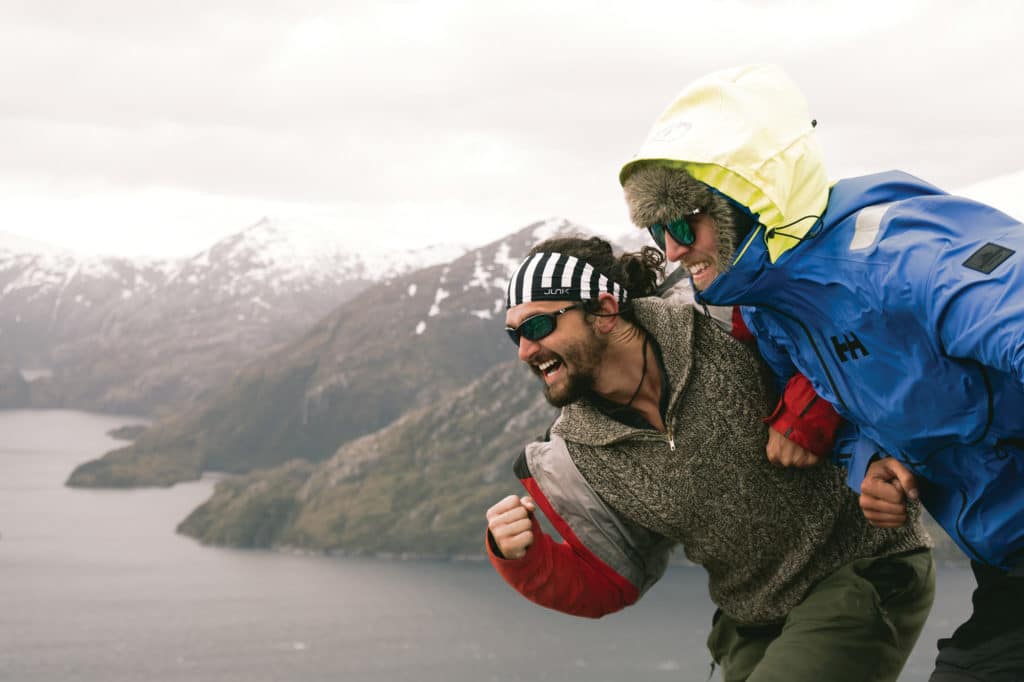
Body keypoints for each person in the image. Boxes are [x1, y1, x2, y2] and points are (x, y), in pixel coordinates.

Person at [619, 63, 1024, 680]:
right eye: (657, 229)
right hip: (1007, 559)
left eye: (682, 224)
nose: (671, 249)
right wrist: (874, 466)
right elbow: (860, 416)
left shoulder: (900, 255)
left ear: (752, 201)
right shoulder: (776, 310)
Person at [486, 235, 934, 681]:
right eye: (514, 336)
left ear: (603, 310)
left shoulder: (718, 314)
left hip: (864, 570)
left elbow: (840, 333)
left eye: (538, 327)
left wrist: (805, 414)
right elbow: (610, 581)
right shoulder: (580, 454)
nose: (525, 350)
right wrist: (523, 557)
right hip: (752, 624)